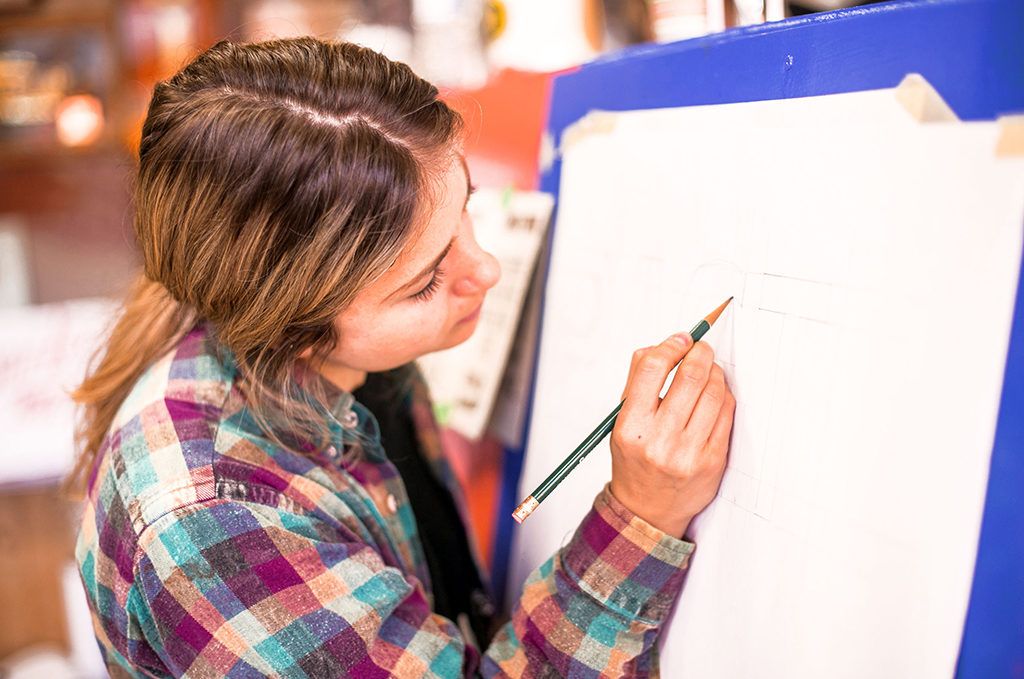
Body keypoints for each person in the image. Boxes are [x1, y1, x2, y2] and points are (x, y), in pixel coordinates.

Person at [69, 37, 735, 678]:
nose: (487, 269)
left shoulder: (344, 354)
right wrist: (641, 516)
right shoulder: (213, 526)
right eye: (424, 281)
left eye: (465, 207)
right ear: (297, 328)